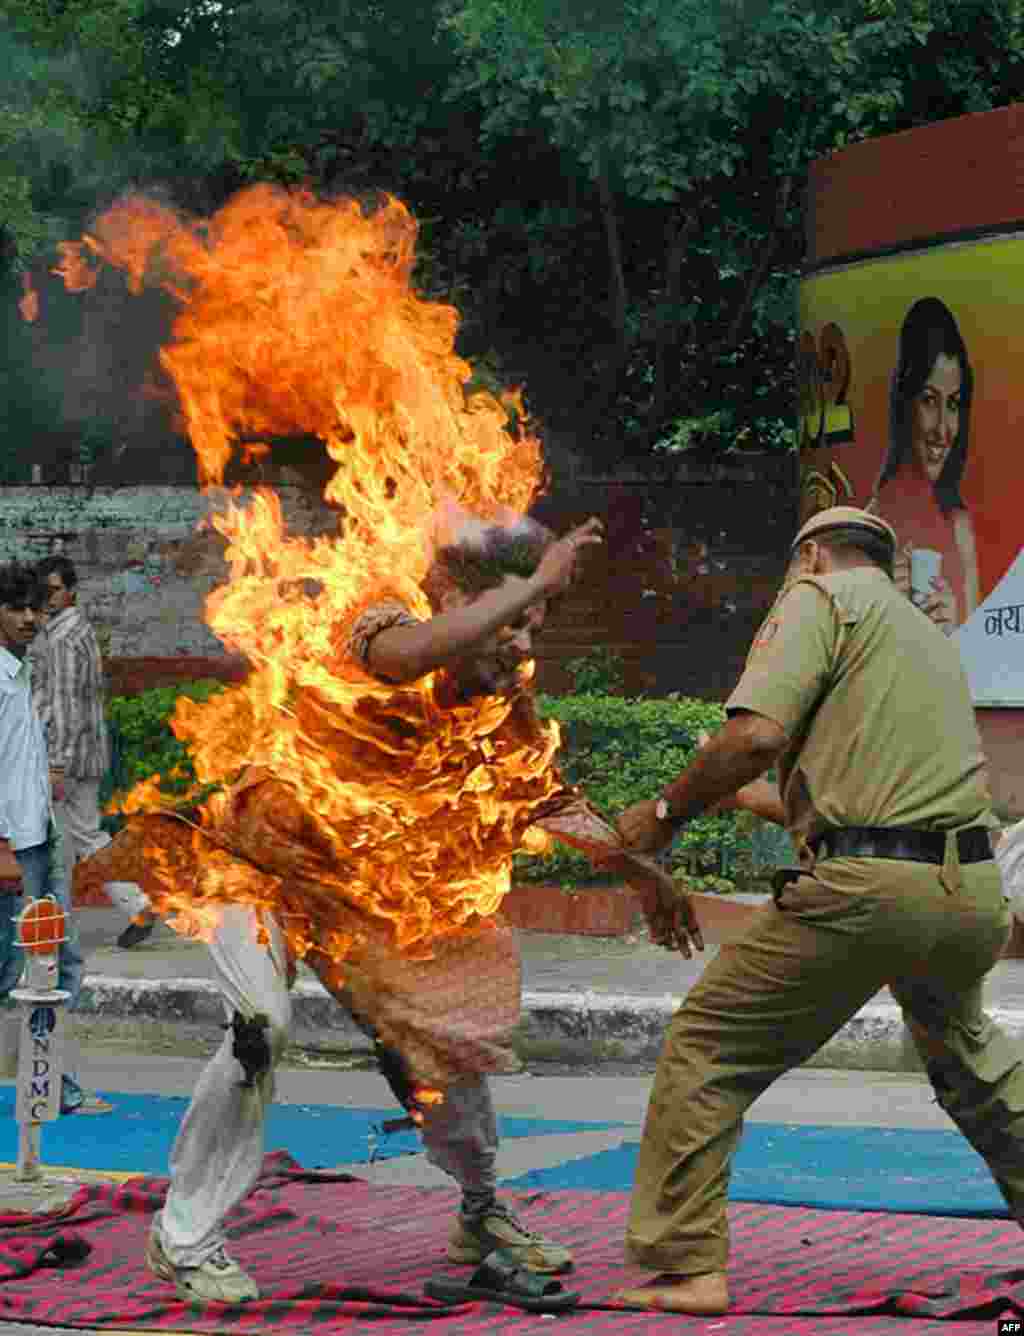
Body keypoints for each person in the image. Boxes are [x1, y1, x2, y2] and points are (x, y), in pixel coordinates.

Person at [78, 512, 683, 1304]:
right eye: (510, 619)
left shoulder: (499, 698)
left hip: (363, 900)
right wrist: (533, 583)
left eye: (536, 624)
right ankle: (185, 1237)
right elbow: (405, 658)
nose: (524, 641)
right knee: (262, 1025)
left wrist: (643, 872)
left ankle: (479, 1212)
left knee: (442, 1051)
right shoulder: (377, 615)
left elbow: (543, 790)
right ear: (454, 597)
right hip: (254, 866)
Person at [613, 505, 1015, 1316]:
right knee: (973, 1058)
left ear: (811, 555)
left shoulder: (819, 598)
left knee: (706, 1045)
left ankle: (685, 1264)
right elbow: (858, 790)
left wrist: (664, 812)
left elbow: (756, 736)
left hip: (870, 892)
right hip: (969, 891)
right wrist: (734, 798)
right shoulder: (923, 633)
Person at [0, 562, 91, 1113]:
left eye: (36, 608)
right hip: (12, 843)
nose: (30, 618)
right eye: (16, 608)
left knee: (56, 962)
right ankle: (46, 1078)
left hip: (39, 838)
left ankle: (49, 1075)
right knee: (22, 967)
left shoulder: (21, 671)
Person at [30, 555, 156, 950]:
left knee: (69, 836)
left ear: (70, 592)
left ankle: (124, 907)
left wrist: (56, 764)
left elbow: (66, 705)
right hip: (76, 753)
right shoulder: (65, 630)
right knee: (75, 836)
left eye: (54, 590)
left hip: (67, 756)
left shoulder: (66, 637)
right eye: (43, 591)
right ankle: (129, 907)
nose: (48, 598)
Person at [869, 296, 979, 633]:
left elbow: (979, 661)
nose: (943, 431)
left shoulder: (960, 527)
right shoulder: (869, 525)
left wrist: (955, 628)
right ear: (905, 402)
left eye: (954, 404)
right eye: (929, 400)